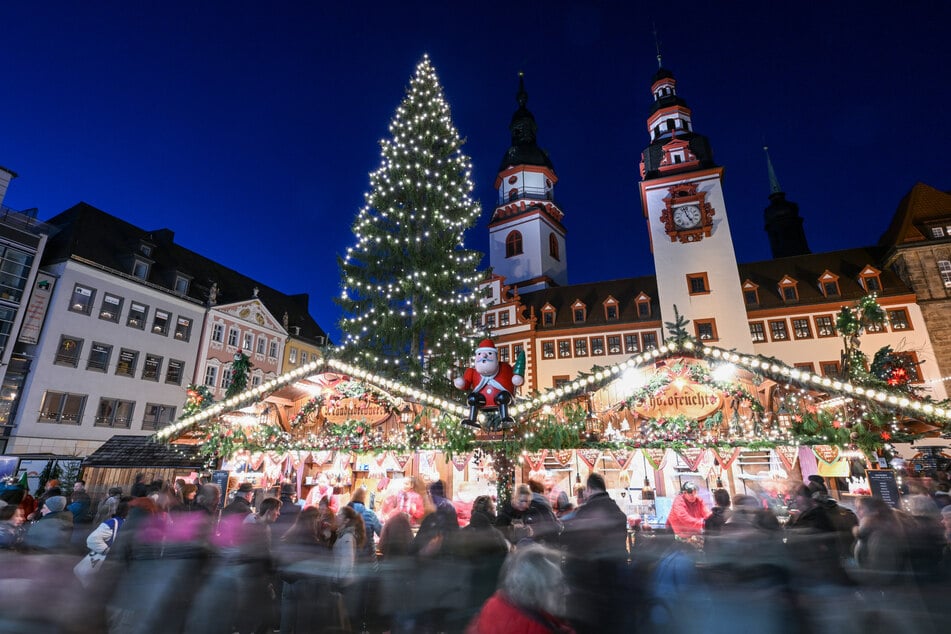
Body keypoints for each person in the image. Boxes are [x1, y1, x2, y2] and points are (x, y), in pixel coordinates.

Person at [466, 543, 576, 634]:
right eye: (557, 585)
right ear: (534, 592)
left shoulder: (497, 604)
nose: (567, 590)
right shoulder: (538, 629)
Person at [348, 486, 382, 560]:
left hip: (349, 559)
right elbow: (381, 533)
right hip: (368, 559)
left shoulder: (344, 512)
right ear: (364, 498)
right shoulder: (370, 513)